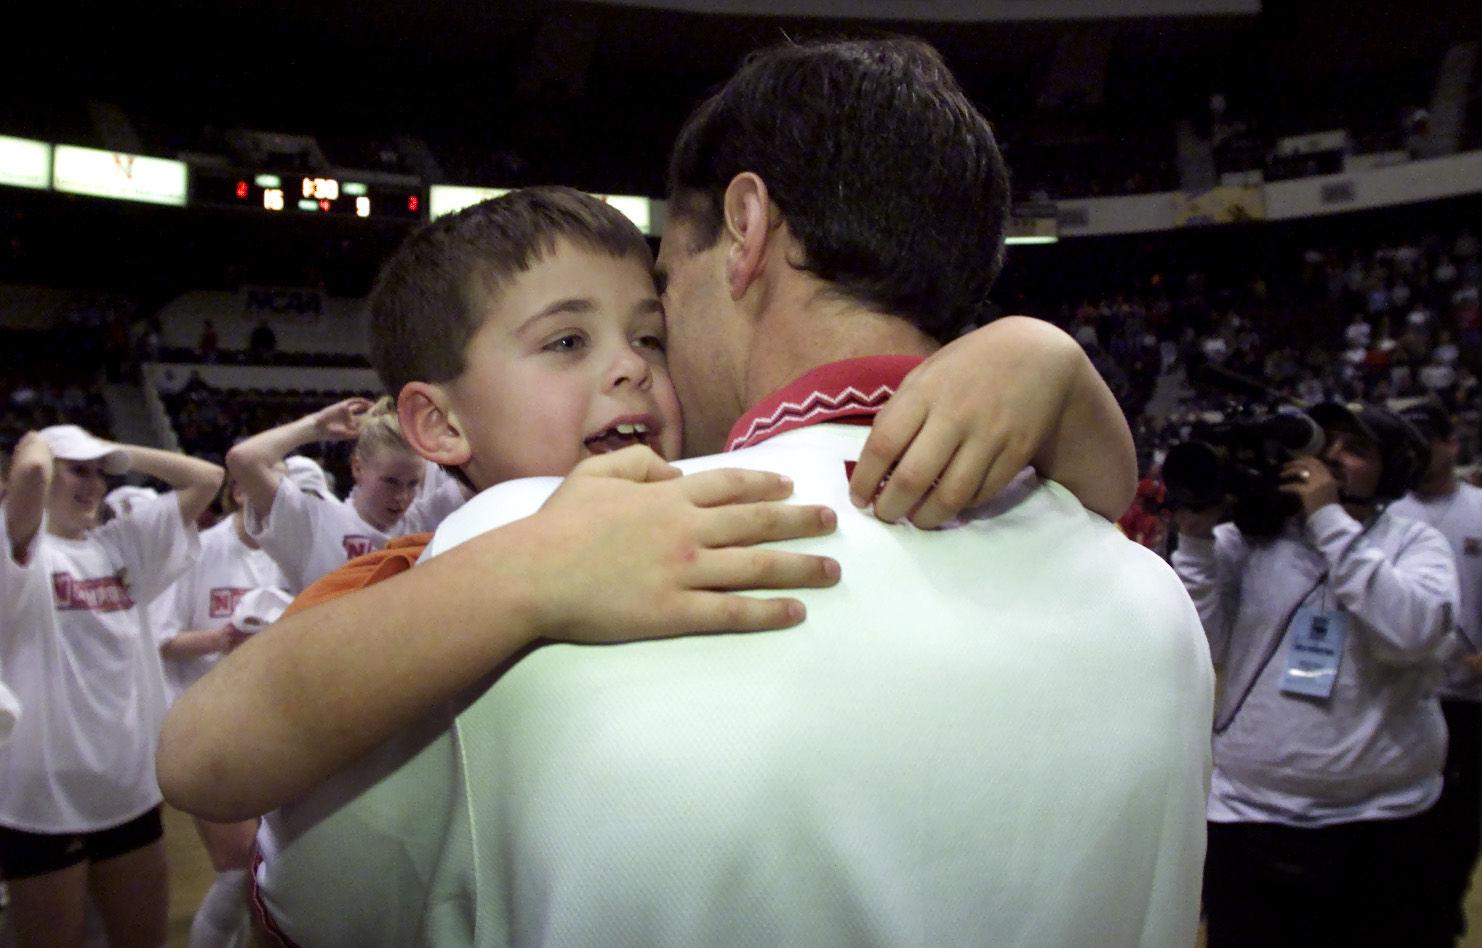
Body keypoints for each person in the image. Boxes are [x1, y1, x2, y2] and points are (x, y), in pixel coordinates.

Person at [163, 39, 1210, 946]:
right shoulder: (1150, 598)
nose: (636, 365)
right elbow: (209, 754)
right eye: (570, 341)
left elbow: (321, 906)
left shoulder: (529, 549)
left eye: (657, 308)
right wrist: (1047, 358)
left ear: (744, 230)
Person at [1172, 402, 1458, 947]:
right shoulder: (1251, 538)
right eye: (1324, 443)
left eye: (1355, 449)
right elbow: (1202, 643)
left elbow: (1411, 634)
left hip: (1382, 819)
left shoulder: (1415, 543)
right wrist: (1196, 540)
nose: (1330, 457)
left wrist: (1328, 519)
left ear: (1392, 468)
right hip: (1249, 812)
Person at [1, 425, 222, 948]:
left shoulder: (121, 545)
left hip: (126, 790)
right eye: (80, 471)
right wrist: (39, 441)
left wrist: (115, 453)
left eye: (102, 474)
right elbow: (30, 470)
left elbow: (206, 478)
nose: (95, 484)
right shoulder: (19, 553)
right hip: (42, 797)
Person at [156, 473, 291, 948]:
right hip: (203, 727)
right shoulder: (199, 551)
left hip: (267, 725)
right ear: (238, 492)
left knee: (264, 877)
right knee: (237, 873)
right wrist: (223, 639)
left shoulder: (283, 551)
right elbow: (162, 639)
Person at [1389, 402, 1482, 943]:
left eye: (1428, 441)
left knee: (1456, 824)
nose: (1419, 454)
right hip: (1400, 692)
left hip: (1467, 700)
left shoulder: (1478, 507)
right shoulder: (1387, 513)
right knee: (1403, 821)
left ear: (1451, 443)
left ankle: (1440, 922)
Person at [226, 396, 464, 593]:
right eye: (390, 482)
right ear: (357, 468)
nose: (402, 496)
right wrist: (314, 427)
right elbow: (244, 460)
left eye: (413, 484)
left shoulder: (425, 518)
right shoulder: (314, 523)